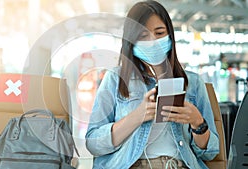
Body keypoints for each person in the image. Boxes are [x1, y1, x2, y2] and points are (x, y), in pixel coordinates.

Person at [85, 1, 219, 169]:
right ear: (131, 42)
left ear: (170, 35)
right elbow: (93, 144)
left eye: (159, 33)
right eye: (143, 36)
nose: (153, 41)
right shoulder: (115, 79)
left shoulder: (193, 83)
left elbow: (210, 153)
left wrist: (198, 122)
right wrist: (136, 116)